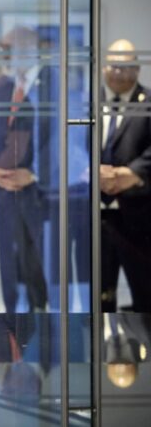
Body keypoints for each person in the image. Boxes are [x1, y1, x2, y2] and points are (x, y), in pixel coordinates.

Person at [0, 26, 50, 313]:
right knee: (9, 265)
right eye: (8, 48)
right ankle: (13, 338)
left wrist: (36, 172)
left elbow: (68, 140)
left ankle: (49, 338)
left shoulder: (55, 85)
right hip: (4, 194)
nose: (12, 54)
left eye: (18, 47)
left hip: (43, 194)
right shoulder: (0, 88)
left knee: (40, 265)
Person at [100, 38, 151, 312]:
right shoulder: (89, 102)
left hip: (138, 218)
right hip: (95, 219)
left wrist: (133, 173)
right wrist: (89, 170)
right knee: (99, 299)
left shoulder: (148, 102)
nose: (117, 72)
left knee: (144, 296)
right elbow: (70, 146)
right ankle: (100, 354)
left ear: (137, 69)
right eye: (113, 66)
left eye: (125, 66)